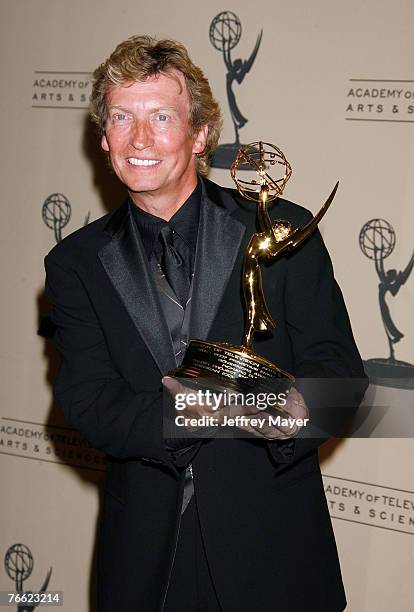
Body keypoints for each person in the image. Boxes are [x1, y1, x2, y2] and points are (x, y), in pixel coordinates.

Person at [45, 35, 367, 612]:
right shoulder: (74, 263)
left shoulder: (281, 231)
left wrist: (279, 411)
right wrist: (196, 414)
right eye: (122, 117)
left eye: (161, 116)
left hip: (275, 552)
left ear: (199, 136)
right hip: (145, 563)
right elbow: (89, 401)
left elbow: (342, 380)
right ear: (103, 137)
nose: (139, 139)